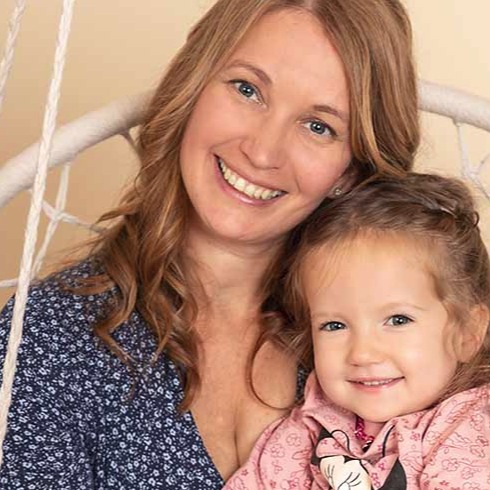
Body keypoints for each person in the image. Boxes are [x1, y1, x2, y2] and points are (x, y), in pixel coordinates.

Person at [0, 0, 420, 488]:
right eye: (247, 90)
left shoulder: (400, 331)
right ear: (193, 86)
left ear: (349, 171)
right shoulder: (48, 340)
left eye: (318, 126)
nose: (262, 152)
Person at [225, 173, 490, 490]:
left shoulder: (471, 429)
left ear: (467, 333)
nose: (362, 353)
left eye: (398, 320)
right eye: (334, 325)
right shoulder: (314, 420)